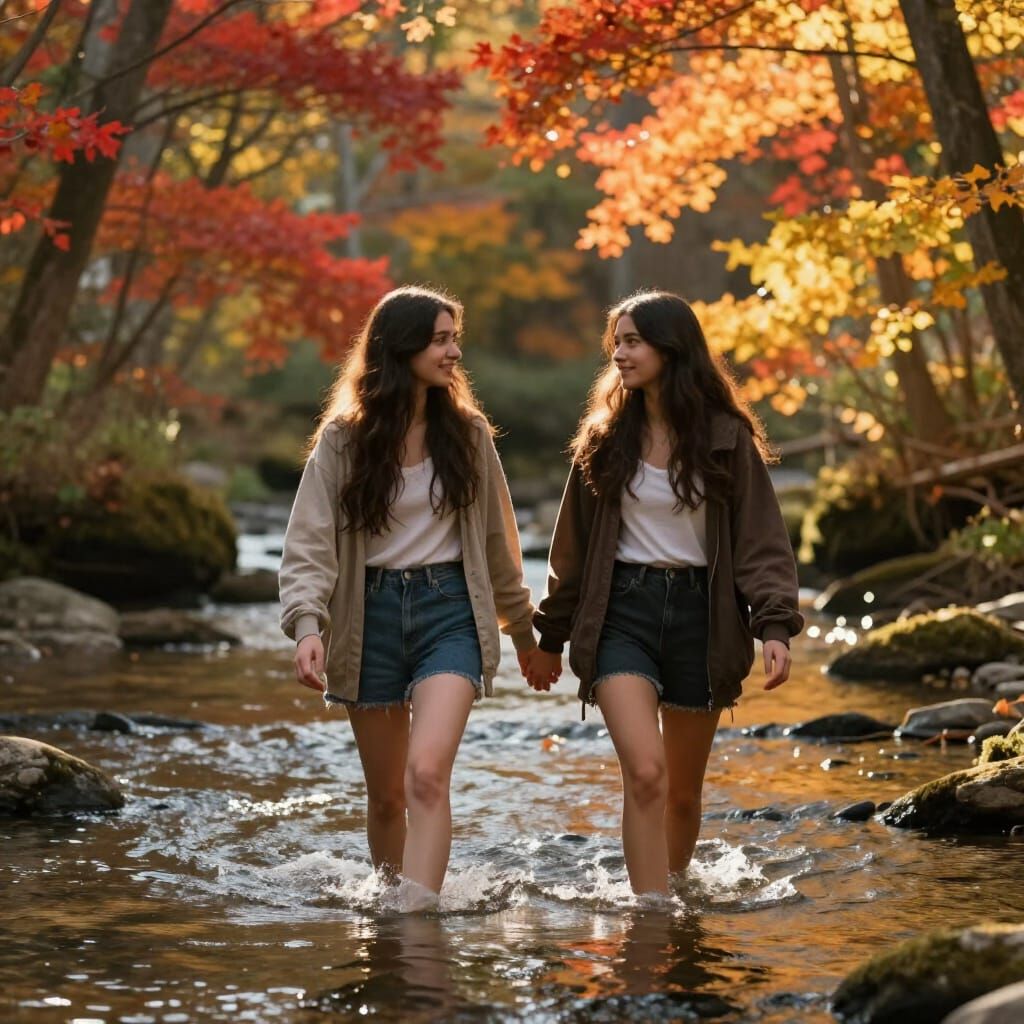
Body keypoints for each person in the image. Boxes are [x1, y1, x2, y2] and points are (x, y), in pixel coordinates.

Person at [525, 291, 803, 895]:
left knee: (681, 792)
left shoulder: (727, 439)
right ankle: (649, 916)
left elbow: (761, 539)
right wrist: (549, 634)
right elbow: (569, 549)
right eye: (616, 342)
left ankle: (674, 900)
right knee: (646, 773)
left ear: (671, 349)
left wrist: (774, 626)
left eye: (632, 341)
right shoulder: (603, 439)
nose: (619, 354)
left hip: (702, 622)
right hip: (623, 611)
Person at [279, 285, 538, 906]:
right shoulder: (343, 441)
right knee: (388, 796)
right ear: (401, 348)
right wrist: (308, 624)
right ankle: (392, 918)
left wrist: (524, 632)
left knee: (426, 774)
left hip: (449, 612)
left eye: (455, 339)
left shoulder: (470, 435)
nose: (454, 352)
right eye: (441, 339)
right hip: (368, 619)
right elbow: (309, 542)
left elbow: (499, 543)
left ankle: (416, 920)